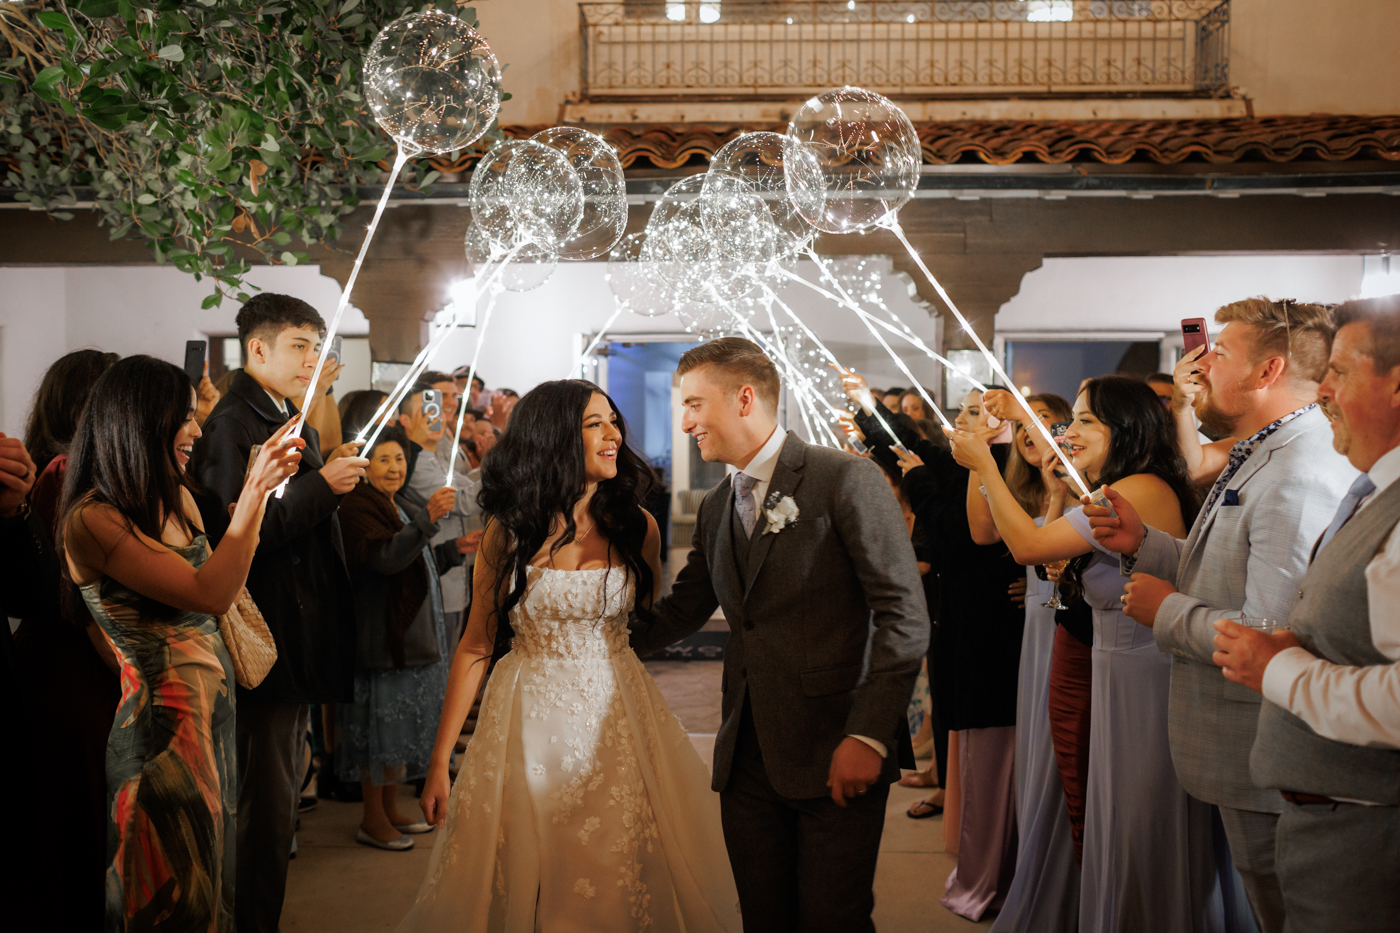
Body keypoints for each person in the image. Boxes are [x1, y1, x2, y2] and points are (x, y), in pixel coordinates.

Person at [399, 379, 740, 931]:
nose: (613, 436)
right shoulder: (507, 534)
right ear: (555, 437)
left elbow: (640, 618)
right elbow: (477, 646)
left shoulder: (639, 528)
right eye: (594, 424)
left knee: (617, 859)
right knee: (531, 871)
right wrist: (439, 763)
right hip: (526, 719)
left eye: (613, 422)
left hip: (620, 717)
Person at [629, 339, 929, 933]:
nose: (684, 422)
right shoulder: (718, 504)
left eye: (694, 404)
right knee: (764, 918)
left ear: (744, 398)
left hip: (834, 744)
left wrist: (868, 735)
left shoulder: (845, 479)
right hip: (746, 757)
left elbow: (904, 616)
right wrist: (591, 637)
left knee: (832, 919)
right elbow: (685, 609)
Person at [1085, 298, 1350, 933]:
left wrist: (1166, 610)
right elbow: (1223, 564)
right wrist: (1143, 545)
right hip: (1240, 747)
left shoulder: (1296, 471)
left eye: (1219, 353)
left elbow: (1267, 634)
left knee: (1285, 913)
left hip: (1267, 755)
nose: (1199, 368)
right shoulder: (1263, 449)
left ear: (1268, 371)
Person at [950, 375, 1239, 933]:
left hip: (1147, 680)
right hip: (1114, 676)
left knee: (1141, 828)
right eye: (1072, 418)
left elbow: (1028, 546)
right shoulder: (1117, 486)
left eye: (1086, 420)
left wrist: (984, 466)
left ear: (1126, 429)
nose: (1069, 431)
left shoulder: (1140, 488)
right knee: (1110, 823)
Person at [60, 355, 303, 932]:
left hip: (211, 721)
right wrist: (253, 493)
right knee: (168, 900)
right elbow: (210, 592)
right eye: (185, 418)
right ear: (141, 421)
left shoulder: (177, 498)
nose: (197, 431)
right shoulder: (93, 519)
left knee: (212, 885)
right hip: (159, 738)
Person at [1213, 294, 1400, 933]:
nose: (1322, 390)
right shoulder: (1374, 488)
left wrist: (1280, 666)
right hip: (1330, 820)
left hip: (1368, 828)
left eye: (1342, 372)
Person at [189, 294, 368, 933]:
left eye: (317, 346)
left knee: (277, 800)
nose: (312, 359)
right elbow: (237, 535)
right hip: (262, 641)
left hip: (293, 636)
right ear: (256, 349)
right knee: (260, 810)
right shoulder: (234, 424)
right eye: (299, 345)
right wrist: (327, 487)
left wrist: (328, 477)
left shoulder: (290, 421)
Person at [869, 382, 1025, 921]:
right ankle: (975, 855)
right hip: (965, 618)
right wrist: (868, 414)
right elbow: (913, 445)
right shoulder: (971, 462)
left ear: (1008, 424)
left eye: (979, 413)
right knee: (964, 732)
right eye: (963, 410)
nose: (963, 420)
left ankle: (991, 873)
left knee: (986, 742)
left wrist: (915, 482)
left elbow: (959, 536)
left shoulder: (1002, 466)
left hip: (993, 627)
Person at [12, 349, 122, 931]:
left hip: (70, 659)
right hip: (71, 663)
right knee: (75, 821)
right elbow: (77, 597)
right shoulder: (62, 474)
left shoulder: (78, 470)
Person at [970, 390, 1082, 933]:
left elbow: (1047, 564)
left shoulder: (1079, 490)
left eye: (1042, 424)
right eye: (1022, 429)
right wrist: (983, 455)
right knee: (1036, 747)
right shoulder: (1026, 486)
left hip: (1060, 629)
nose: (1030, 436)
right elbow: (984, 532)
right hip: (1037, 631)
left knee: (1054, 750)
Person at [337, 427, 461, 851]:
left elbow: (415, 559)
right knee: (378, 735)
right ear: (365, 465)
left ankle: (390, 809)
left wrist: (454, 549)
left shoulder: (398, 502)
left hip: (405, 642)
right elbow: (387, 559)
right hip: (379, 642)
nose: (394, 468)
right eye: (385, 460)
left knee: (397, 735)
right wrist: (428, 520)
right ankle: (372, 819)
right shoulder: (355, 507)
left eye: (400, 460)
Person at [397, 383, 479, 647]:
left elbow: (468, 484)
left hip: (455, 576)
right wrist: (506, 466)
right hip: (437, 579)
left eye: (440, 410)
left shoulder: (436, 459)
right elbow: (465, 501)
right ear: (406, 421)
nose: (437, 417)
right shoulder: (411, 465)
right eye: (427, 411)